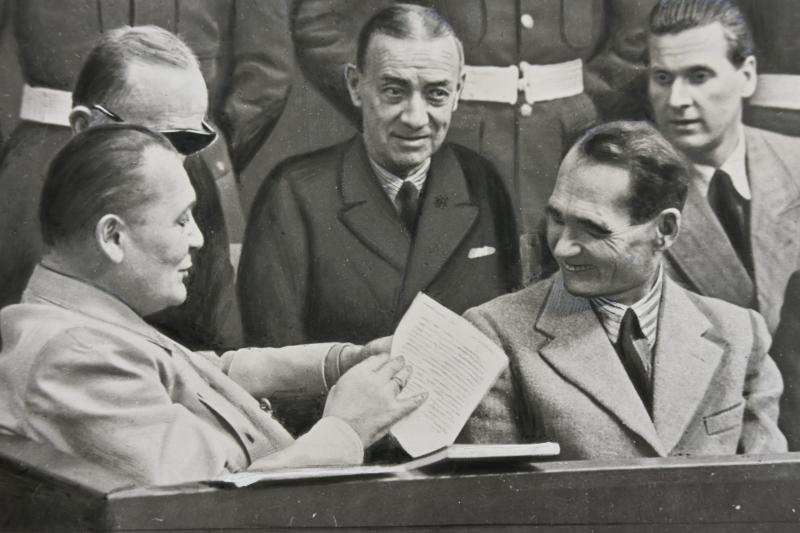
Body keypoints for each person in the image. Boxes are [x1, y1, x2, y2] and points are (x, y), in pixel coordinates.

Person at [0, 124, 426, 486]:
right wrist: (347, 428)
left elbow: (203, 373)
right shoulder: (76, 355)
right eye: (182, 220)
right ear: (113, 237)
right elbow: (205, 505)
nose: (198, 238)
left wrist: (341, 362)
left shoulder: (74, 320)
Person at [458, 121, 786, 459]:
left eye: (593, 230)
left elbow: (769, 483)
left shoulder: (740, 335)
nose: (562, 248)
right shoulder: (494, 336)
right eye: (557, 219)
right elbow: (501, 490)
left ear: (665, 229)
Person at [291, 0, 658, 283]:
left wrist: (588, 101)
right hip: (456, 144)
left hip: (567, 142)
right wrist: (394, 111)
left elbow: (640, 30)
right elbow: (321, 28)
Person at [238, 4, 519, 349]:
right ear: (355, 86)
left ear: (458, 91)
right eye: (394, 91)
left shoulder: (481, 182)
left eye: (436, 94)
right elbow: (273, 358)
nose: (415, 118)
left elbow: (506, 335)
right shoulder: (293, 194)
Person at [0, 0, 292, 329]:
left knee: (202, 324)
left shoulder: (190, 167)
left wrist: (185, 150)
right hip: (45, 165)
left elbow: (267, 71)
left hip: (189, 159)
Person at [647, 0, 800, 334]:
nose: (676, 100)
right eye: (663, 78)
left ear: (747, 76)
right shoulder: (631, 193)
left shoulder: (795, 163)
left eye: (699, 76)